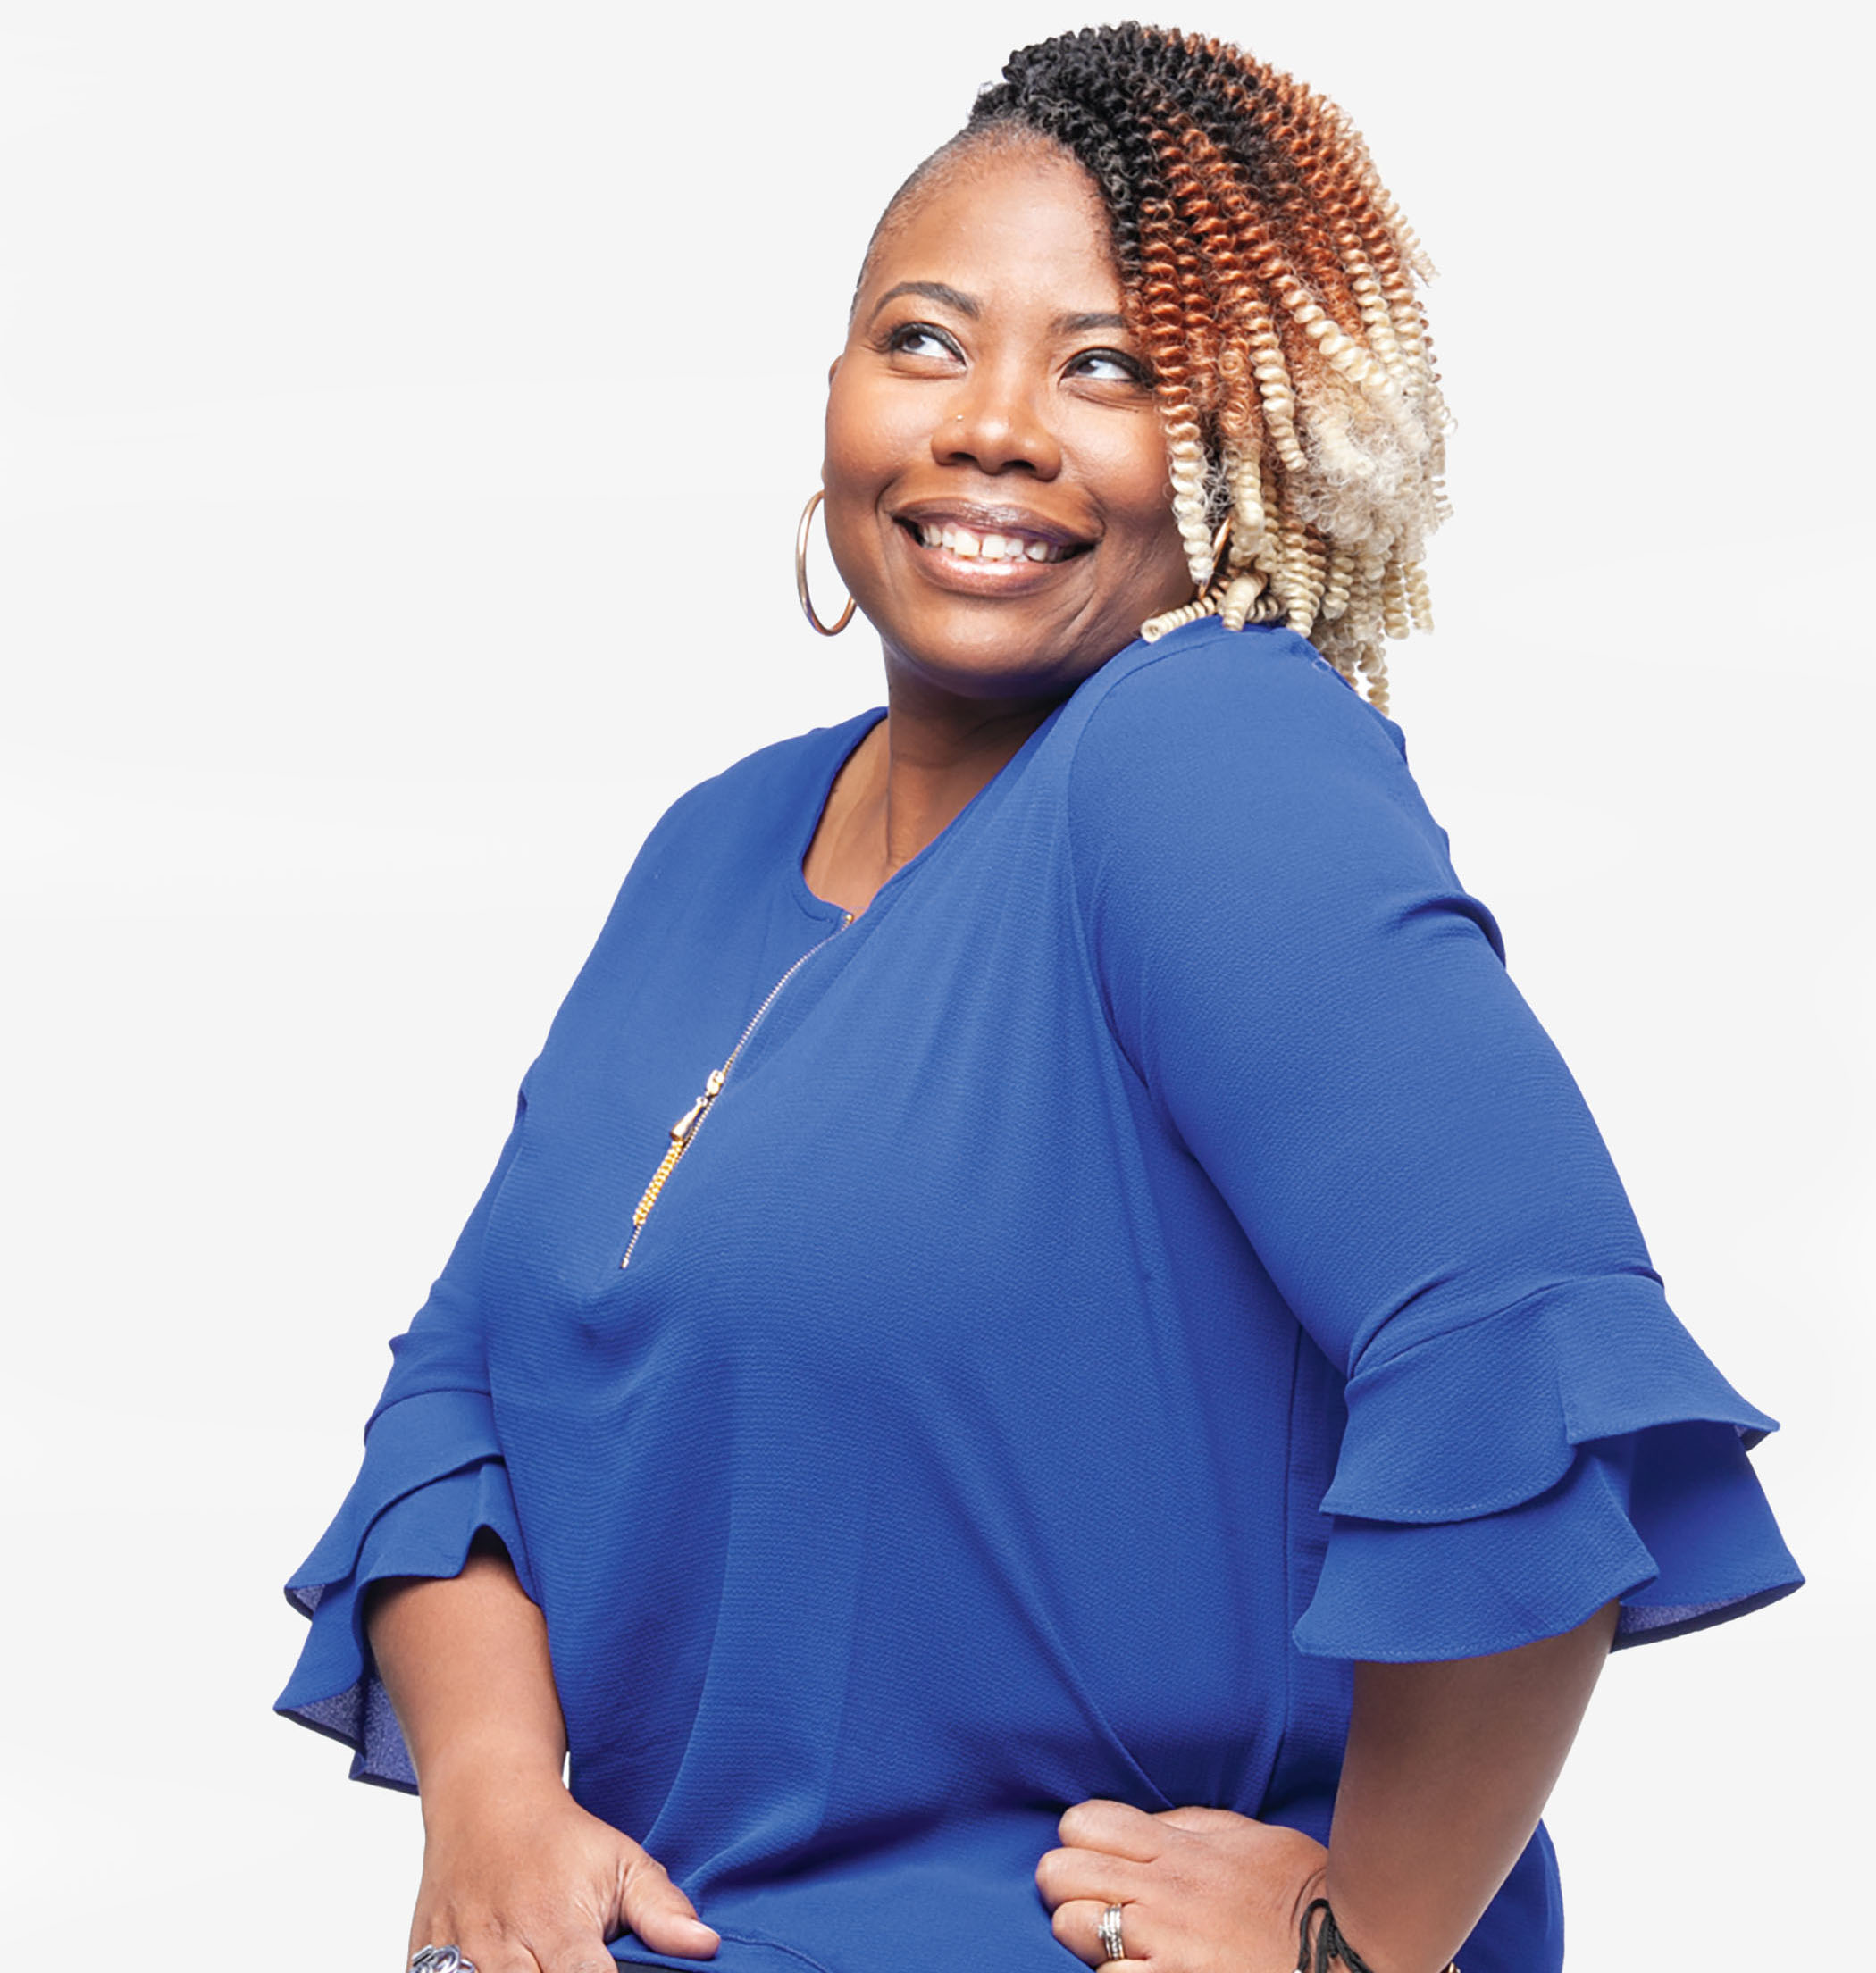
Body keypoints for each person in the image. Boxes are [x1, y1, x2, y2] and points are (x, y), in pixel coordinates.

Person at [277, 25, 1801, 1973]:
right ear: (831, 389)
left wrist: (1369, 1930)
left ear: (1248, 443)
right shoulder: (711, 851)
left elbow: (1531, 1354)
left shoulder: (1202, 759)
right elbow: (463, 1387)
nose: (993, 421)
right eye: (925, 338)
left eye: (1112, 368)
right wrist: (495, 1795)